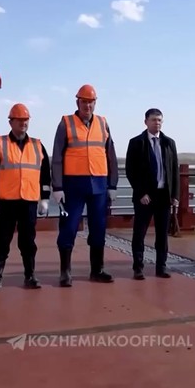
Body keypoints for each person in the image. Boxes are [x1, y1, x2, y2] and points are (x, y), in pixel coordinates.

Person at [51, 84, 119, 287]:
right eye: (83, 102)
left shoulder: (103, 123)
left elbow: (111, 155)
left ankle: (97, 270)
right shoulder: (66, 123)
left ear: (95, 103)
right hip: (73, 185)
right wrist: (57, 187)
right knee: (69, 227)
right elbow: (57, 157)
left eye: (91, 102)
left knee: (98, 227)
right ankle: (65, 272)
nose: (87, 105)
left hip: (99, 184)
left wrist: (112, 185)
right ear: (77, 102)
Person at [0, 103, 51, 292]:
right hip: (5, 203)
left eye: (25, 120)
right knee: (2, 241)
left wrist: (45, 199)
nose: (23, 123)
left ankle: (30, 276)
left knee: (28, 241)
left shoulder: (37, 145)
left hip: (29, 202)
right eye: (19, 120)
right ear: (10, 122)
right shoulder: (0, 143)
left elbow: (45, 174)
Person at [125, 108, 180, 279]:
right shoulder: (137, 142)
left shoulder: (169, 143)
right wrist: (141, 193)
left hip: (164, 195)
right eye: (154, 120)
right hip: (145, 197)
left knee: (162, 234)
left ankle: (161, 267)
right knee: (139, 233)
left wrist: (175, 195)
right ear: (146, 122)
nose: (157, 123)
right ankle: (138, 267)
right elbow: (130, 170)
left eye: (159, 120)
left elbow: (174, 170)